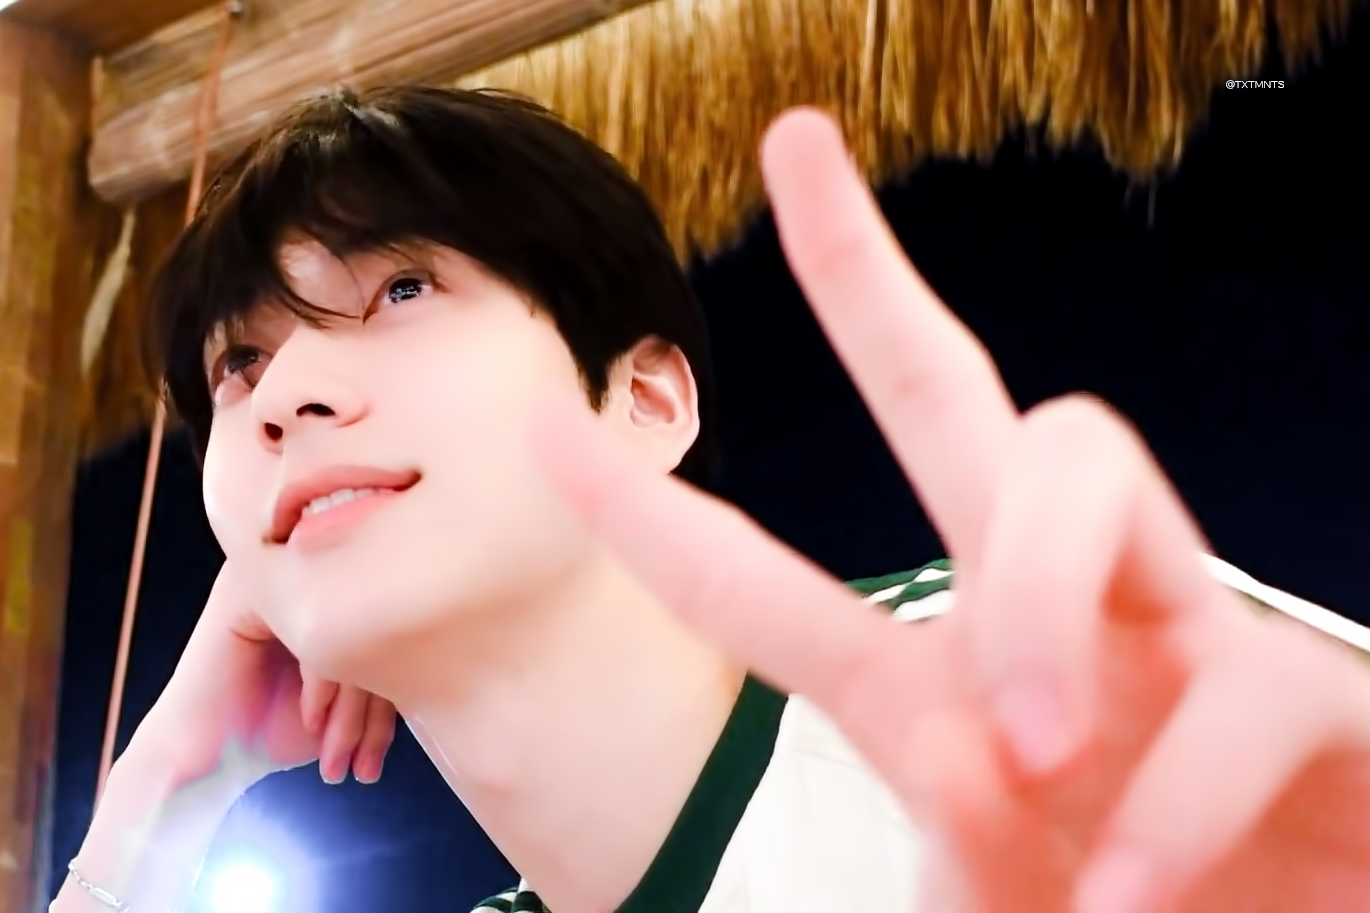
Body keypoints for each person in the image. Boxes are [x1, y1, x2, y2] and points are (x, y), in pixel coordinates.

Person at [53, 85, 1370, 913]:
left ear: (645, 401)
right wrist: (161, 802)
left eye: (401, 288)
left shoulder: (1020, 690)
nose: (284, 394)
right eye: (238, 363)